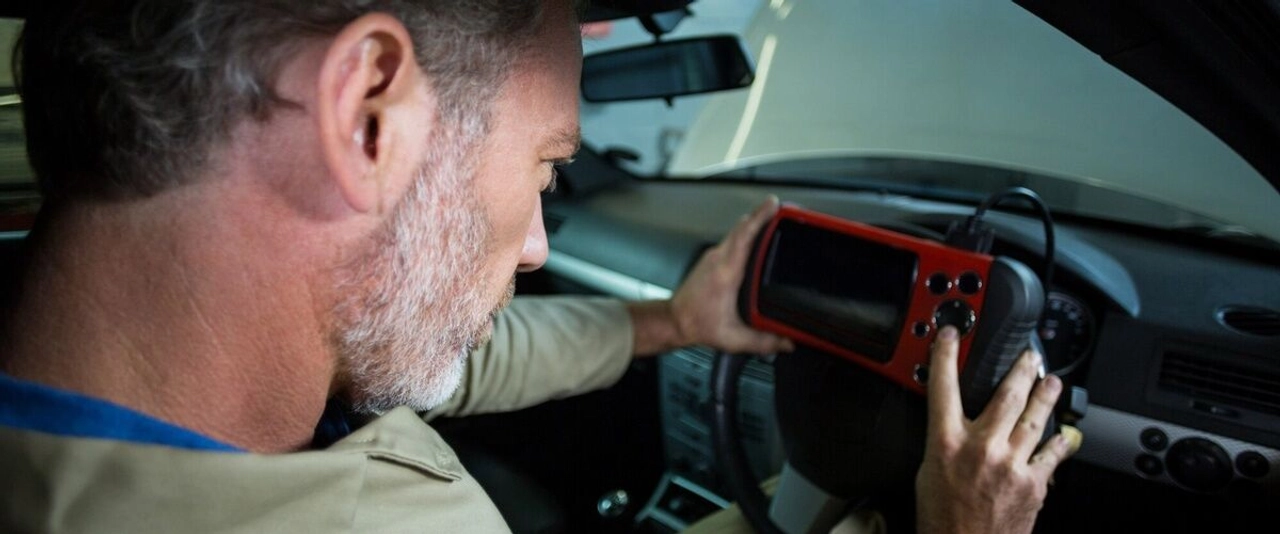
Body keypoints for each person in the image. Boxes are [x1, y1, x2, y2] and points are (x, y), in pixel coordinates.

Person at [0, 1, 1078, 533]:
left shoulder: (192, 373)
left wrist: (671, 324)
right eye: (547, 167)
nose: (536, 247)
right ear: (369, 116)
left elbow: (452, 352)